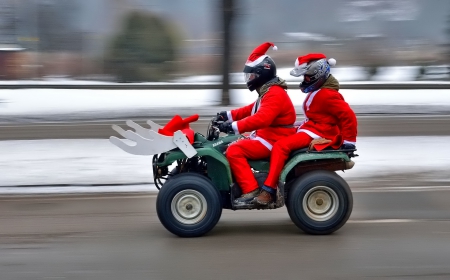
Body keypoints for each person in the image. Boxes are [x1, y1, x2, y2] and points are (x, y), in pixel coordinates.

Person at [255, 53, 358, 205]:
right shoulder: (320, 90)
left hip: (318, 132)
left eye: (307, 77)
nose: (305, 80)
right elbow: (318, 116)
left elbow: (348, 116)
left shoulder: (328, 94)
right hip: (312, 128)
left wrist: (349, 141)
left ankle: (269, 189)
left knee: (280, 146)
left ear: (318, 75)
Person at [215, 42, 297, 205]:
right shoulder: (269, 91)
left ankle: (250, 189)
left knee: (234, 150)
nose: (249, 78)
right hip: (267, 135)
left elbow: (261, 119)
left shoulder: (274, 94)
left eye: (251, 75)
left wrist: (233, 127)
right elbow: (253, 109)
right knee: (230, 143)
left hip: (273, 139)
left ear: (261, 74)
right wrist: (228, 116)